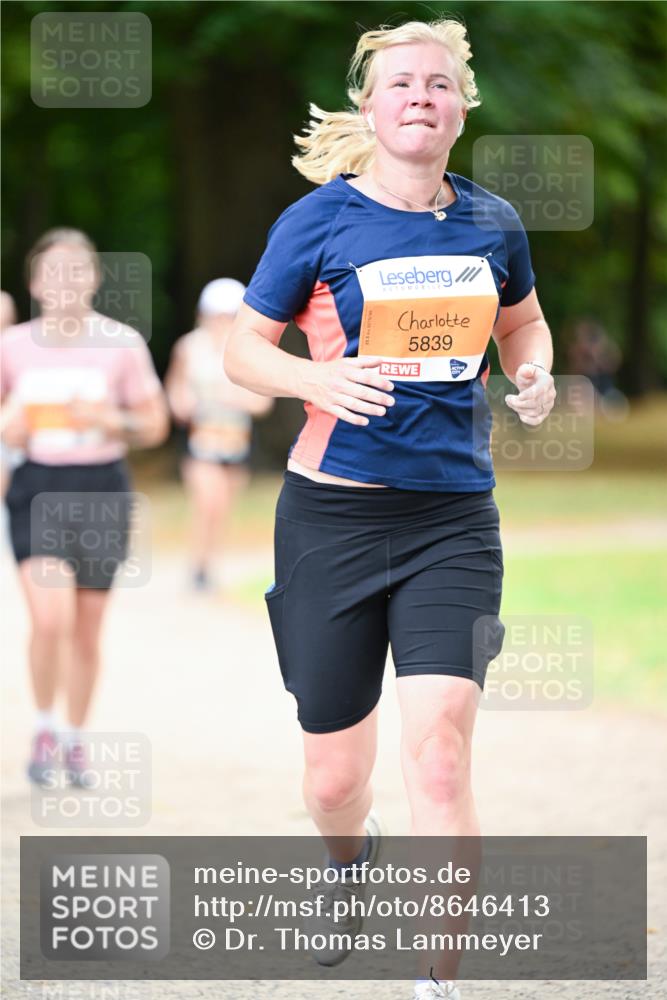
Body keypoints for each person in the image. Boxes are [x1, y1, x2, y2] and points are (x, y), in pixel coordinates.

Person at [225, 18, 556, 999]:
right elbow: (242, 351)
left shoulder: (493, 222)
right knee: (332, 777)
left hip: (452, 520)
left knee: (442, 752)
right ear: (370, 106)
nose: (420, 95)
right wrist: (312, 382)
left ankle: (435, 982)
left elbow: (522, 323)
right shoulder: (319, 220)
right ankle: (347, 860)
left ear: (461, 107)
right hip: (331, 518)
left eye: (438, 84)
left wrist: (531, 373)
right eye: (401, 83)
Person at [0, 228, 169, 786]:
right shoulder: (13, 345)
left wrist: (109, 421)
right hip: (36, 487)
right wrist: (11, 428)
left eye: (77, 269)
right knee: (50, 617)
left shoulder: (121, 343)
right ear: (34, 283)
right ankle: (45, 727)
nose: (65, 280)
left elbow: (154, 423)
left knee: (87, 629)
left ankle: (74, 739)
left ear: (94, 278)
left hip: (102, 487)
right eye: (53, 270)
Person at [164, 278, 273, 590]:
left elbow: (261, 403)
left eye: (228, 316)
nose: (221, 322)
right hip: (201, 440)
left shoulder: (248, 350)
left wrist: (229, 398)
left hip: (236, 439)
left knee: (223, 505)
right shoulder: (189, 347)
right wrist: (184, 403)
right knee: (206, 500)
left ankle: (210, 564)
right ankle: (197, 566)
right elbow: (176, 390)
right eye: (215, 315)